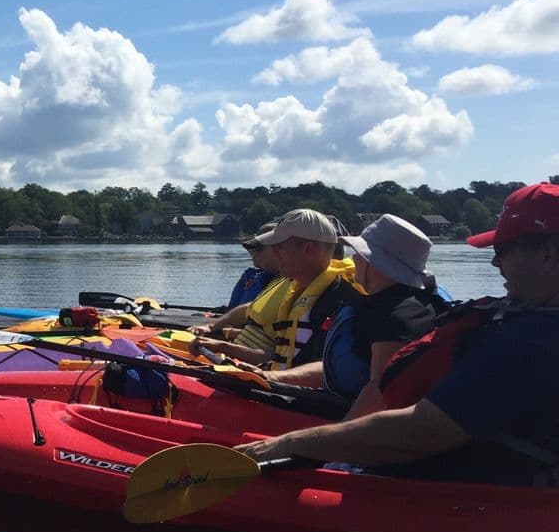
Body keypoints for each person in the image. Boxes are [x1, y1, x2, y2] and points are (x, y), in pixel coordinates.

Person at [238, 182, 559, 486]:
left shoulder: (533, 341)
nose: (494, 262)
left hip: (477, 502)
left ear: (546, 253)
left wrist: (286, 445)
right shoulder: (527, 323)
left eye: (501, 250)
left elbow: (421, 429)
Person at [268, 214, 446, 404]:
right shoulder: (387, 304)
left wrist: (331, 434)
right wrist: (274, 377)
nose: (354, 258)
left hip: (359, 423)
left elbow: (381, 393)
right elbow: (335, 368)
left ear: (377, 263)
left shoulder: (398, 315)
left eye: (360, 254)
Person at [188, 208, 360, 370]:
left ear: (308, 250)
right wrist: (223, 345)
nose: (274, 252)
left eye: (280, 246)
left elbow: (326, 370)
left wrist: (268, 375)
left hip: (295, 397)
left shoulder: (337, 301)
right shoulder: (296, 292)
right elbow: (278, 357)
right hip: (277, 384)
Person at [225, 222, 280, 309]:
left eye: (259, 248)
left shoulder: (289, 282)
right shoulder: (253, 276)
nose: (253, 252)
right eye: (251, 248)